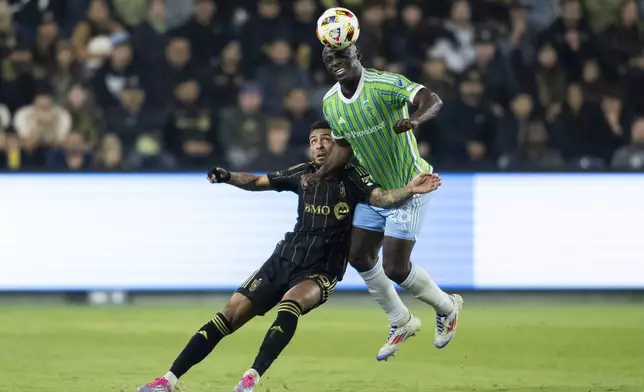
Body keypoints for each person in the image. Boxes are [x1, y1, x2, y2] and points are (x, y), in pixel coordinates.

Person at [137, 120, 442, 392]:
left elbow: (383, 198)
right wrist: (228, 176)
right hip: (283, 259)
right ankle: (168, 380)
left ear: (338, 144)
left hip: (321, 269)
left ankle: (250, 378)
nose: (320, 146)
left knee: (290, 304)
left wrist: (410, 190)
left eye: (326, 139)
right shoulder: (302, 174)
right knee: (228, 315)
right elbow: (257, 182)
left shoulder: (354, 177)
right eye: (313, 141)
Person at [304, 44, 463, 361]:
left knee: (394, 267)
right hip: (374, 190)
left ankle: (448, 307)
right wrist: (321, 174)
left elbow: (432, 99)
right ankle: (400, 320)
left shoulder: (383, 84)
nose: (335, 63)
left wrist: (415, 119)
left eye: (341, 56)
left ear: (356, 55)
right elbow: (344, 147)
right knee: (359, 255)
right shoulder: (331, 102)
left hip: (412, 184)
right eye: (328, 59)